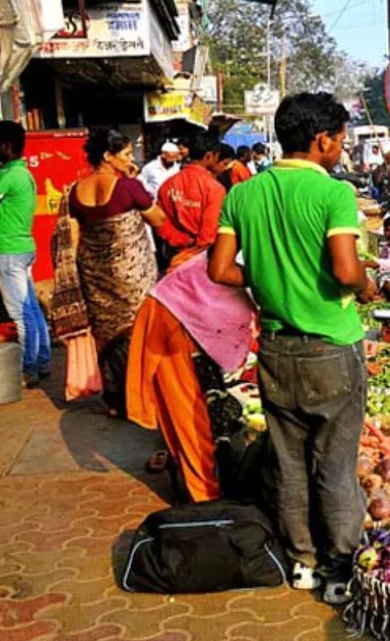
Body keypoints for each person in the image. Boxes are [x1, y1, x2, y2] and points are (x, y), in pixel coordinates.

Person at [207, 92, 376, 604]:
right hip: (332, 346)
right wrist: (366, 287)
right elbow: (347, 270)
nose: (342, 149)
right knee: (335, 462)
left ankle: (301, 561)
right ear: (322, 139)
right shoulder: (334, 195)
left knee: (289, 459)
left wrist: (266, 281)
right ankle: (339, 568)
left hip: (277, 348)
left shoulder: (243, 194)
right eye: (341, 140)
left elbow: (219, 270)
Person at [126, 251, 257, 503]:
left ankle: (200, 488)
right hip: (177, 313)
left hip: (186, 307)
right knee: (190, 415)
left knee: (187, 411)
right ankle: (206, 499)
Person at [70, 128, 169, 417]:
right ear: (107, 156)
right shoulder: (128, 188)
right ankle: (137, 396)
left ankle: (114, 399)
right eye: (125, 154)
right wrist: (133, 180)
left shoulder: (76, 190)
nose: (131, 159)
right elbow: (159, 219)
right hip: (131, 275)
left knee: (106, 334)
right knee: (137, 333)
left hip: (95, 274)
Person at [0, 121, 51, 386]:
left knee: (20, 313)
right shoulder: (22, 172)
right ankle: (42, 362)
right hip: (21, 248)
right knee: (32, 310)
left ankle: (28, 368)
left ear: (4, 145)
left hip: (7, 251)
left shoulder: (5, 174)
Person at [155, 131, 229, 270]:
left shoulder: (167, 185)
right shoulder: (214, 189)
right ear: (209, 156)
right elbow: (208, 235)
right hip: (200, 261)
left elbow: (159, 222)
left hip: (175, 257)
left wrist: (179, 241)